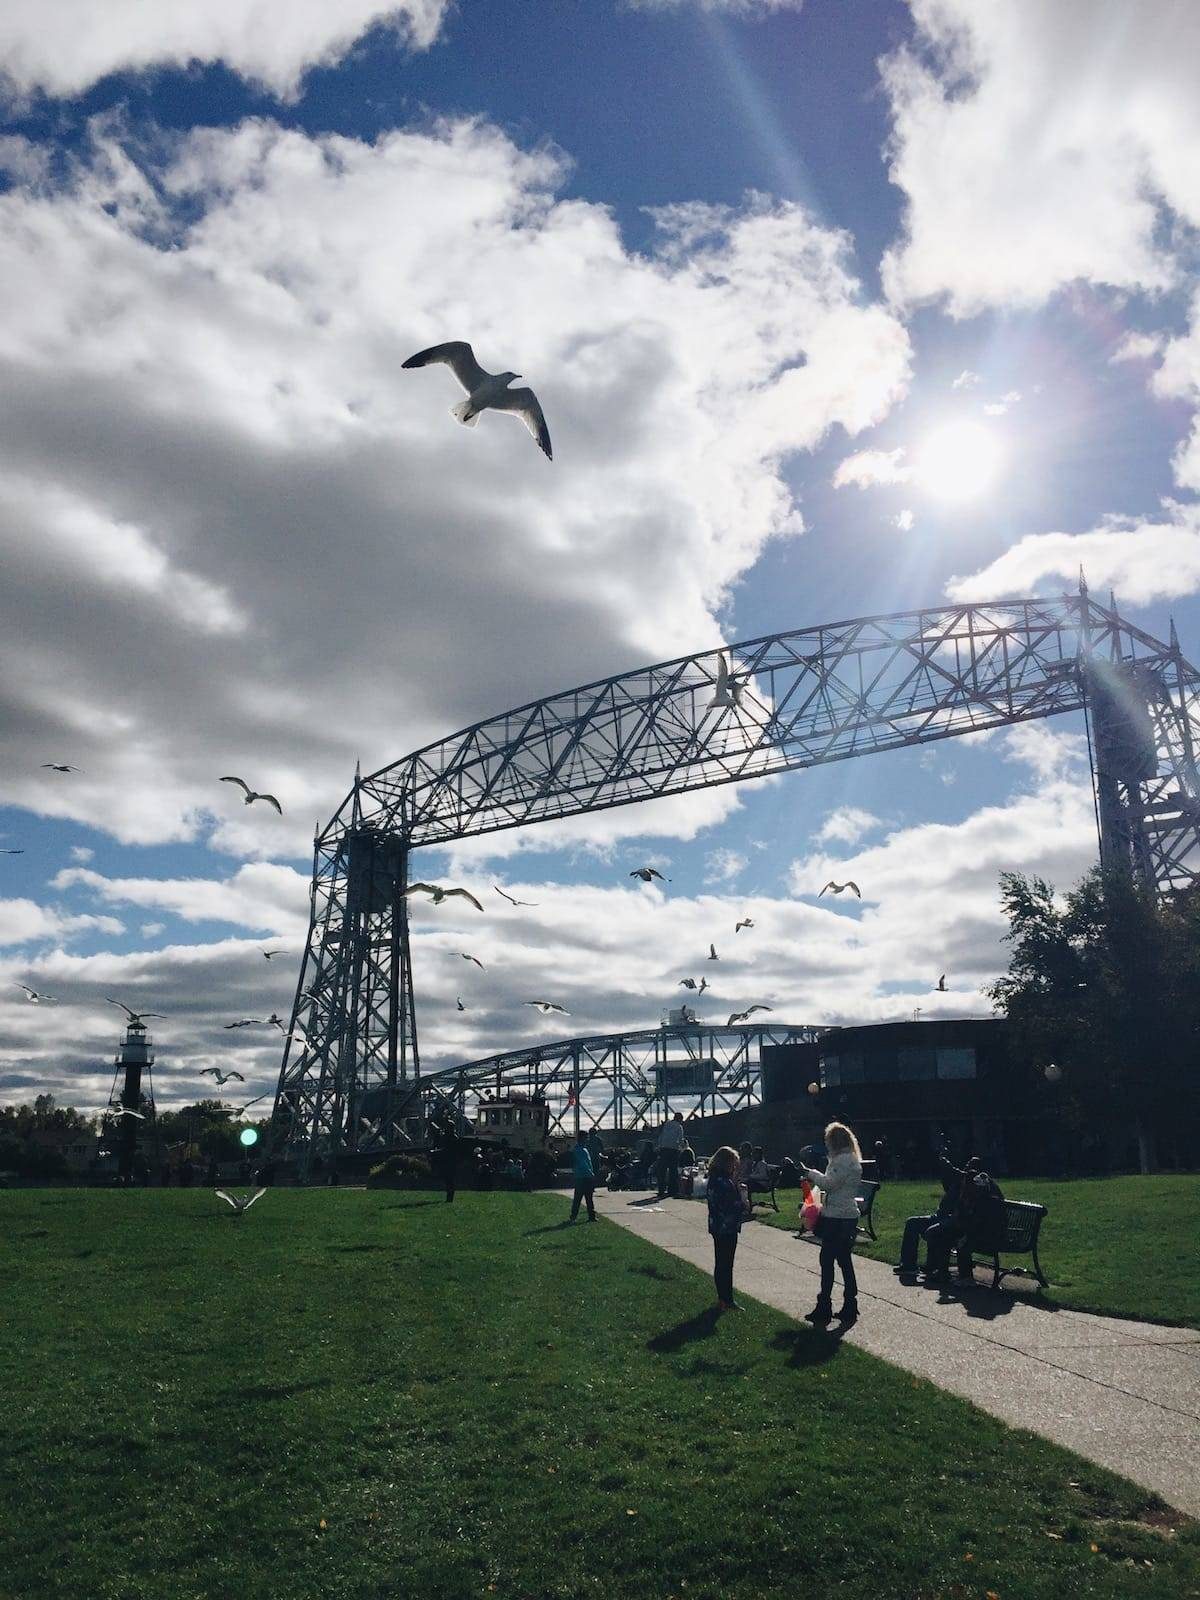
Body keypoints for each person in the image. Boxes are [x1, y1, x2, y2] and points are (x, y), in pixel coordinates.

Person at [801, 1122, 863, 1326]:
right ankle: (849, 1304)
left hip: (837, 1216)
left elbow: (830, 1184)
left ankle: (824, 1305)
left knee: (827, 1260)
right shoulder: (851, 1159)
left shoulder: (841, 1161)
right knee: (844, 1260)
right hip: (847, 1215)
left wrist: (810, 1173)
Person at [921, 1152, 1006, 1285]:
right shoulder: (968, 1186)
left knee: (951, 1236)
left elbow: (981, 1217)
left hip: (986, 1231)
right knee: (941, 1234)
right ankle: (941, 1272)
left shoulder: (984, 1188)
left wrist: (964, 1230)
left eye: (970, 1167)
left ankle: (965, 1277)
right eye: (967, 1166)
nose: (966, 1169)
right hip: (970, 1226)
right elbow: (962, 1210)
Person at [893, 1165, 957, 1277]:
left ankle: (933, 1265)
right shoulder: (956, 1185)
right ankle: (908, 1264)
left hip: (947, 1221)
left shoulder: (967, 1187)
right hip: (938, 1217)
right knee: (912, 1222)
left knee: (934, 1230)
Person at [706, 1146, 745, 1312]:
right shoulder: (723, 1182)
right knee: (726, 1264)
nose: (734, 1168)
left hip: (717, 1225)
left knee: (721, 1263)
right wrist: (743, 1200)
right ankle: (726, 1299)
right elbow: (731, 1205)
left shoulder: (715, 1178)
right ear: (726, 1163)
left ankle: (723, 1298)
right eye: (733, 1164)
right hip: (726, 1227)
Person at [430, 1107, 459, 1203]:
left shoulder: (451, 1137)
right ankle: (449, 1198)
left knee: (449, 1180)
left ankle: (449, 1198)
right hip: (448, 1160)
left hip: (450, 1161)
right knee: (448, 1180)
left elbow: (448, 1149)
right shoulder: (450, 1136)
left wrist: (436, 1151)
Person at [568, 1131, 597, 1222]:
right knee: (583, 1198)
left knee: (583, 1198)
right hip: (583, 1177)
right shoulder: (580, 1150)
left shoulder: (581, 1149)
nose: (587, 1139)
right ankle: (587, 1217)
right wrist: (591, 1174)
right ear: (582, 1138)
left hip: (581, 1177)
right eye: (586, 1137)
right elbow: (584, 1164)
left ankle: (578, 1216)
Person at [656, 1111, 686, 1198]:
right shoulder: (679, 1127)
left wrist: (659, 1146)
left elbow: (661, 1136)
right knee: (673, 1171)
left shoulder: (667, 1124)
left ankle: (661, 1190)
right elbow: (680, 1139)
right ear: (680, 1119)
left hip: (663, 1149)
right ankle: (672, 1190)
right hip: (673, 1150)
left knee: (662, 1170)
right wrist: (683, 1147)